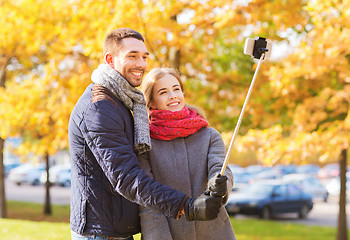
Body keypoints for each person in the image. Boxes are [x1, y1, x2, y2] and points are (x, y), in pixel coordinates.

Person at [68, 28, 227, 240]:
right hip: (100, 232)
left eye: (144, 57)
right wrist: (186, 206)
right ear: (110, 59)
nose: (141, 64)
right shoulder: (100, 107)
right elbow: (126, 177)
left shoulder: (122, 100)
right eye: (132, 56)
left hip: (114, 228)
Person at [139, 67, 237, 240]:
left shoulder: (209, 135)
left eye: (176, 89)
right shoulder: (145, 144)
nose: (173, 96)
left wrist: (219, 182)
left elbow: (220, 168)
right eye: (163, 92)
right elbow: (148, 202)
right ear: (151, 102)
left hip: (216, 232)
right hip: (170, 233)